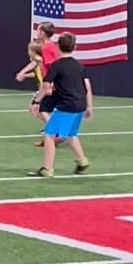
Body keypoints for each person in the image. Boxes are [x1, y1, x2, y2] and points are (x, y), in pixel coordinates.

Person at [31, 31, 92, 178]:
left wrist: (36, 101)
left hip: (67, 105)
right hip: (80, 105)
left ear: (58, 46)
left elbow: (46, 86)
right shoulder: (80, 66)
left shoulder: (56, 66)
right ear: (74, 47)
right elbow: (87, 87)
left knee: (49, 134)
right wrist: (89, 106)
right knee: (71, 134)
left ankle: (47, 169)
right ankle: (82, 161)